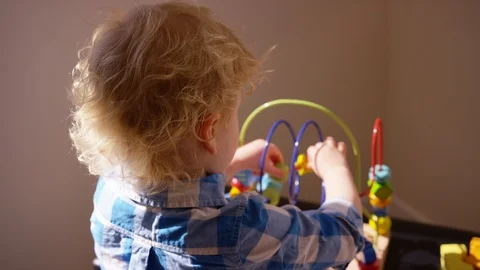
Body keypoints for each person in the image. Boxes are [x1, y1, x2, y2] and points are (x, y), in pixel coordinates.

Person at [69, 2, 364, 269]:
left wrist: (232, 163)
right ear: (208, 131)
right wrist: (335, 171)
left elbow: (170, 196)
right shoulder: (238, 231)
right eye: (234, 112)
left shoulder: (108, 190)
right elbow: (344, 235)